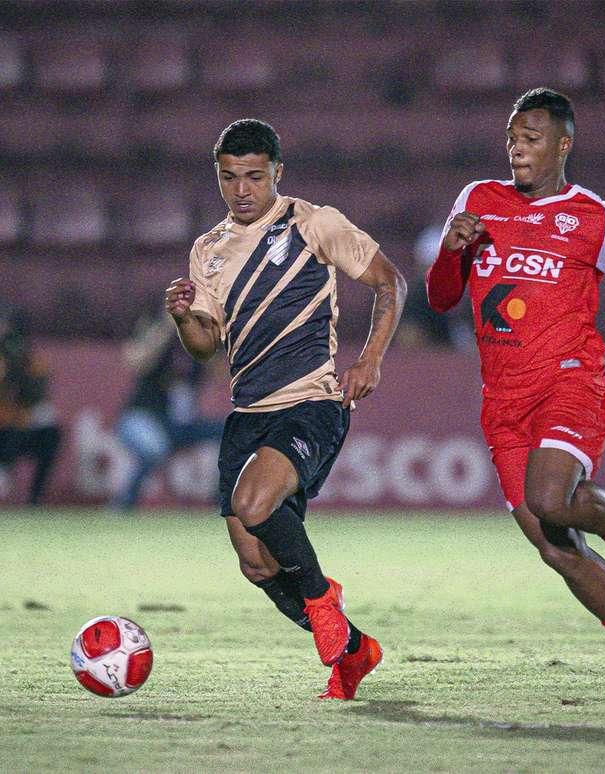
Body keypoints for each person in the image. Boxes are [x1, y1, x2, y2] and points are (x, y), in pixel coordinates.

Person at [426, 88, 605, 705]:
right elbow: (442, 297)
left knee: (550, 497)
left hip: (570, 381)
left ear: (563, 144)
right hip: (502, 398)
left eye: (530, 137)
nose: (517, 148)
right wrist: (451, 251)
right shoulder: (477, 200)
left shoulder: (595, 217)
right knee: (554, 544)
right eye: (512, 138)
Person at [164, 119, 406, 700]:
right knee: (256, 563)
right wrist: (183, 320)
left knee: (254, 503)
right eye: (229, 178)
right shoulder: (209, 251)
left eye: (254, 176)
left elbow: (390, 283)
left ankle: (324, 603)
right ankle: (352, 650)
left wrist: (370, 360)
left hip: (311, 402)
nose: (241, 190)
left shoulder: (313, 223)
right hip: (247, 411)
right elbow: (206, 347)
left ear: (278, 172)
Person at [112, 308, 222, 509]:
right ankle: (124, 504)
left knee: (231, 432)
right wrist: (168, 323)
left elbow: (224, 369)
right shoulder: (162, 343)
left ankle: (222, 503)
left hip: (180, 425)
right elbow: (136, 361)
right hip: (143, 417)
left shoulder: (198, 349)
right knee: (153, 447)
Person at [0, 305, 62, 505]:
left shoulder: (23, 355)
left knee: (50, 434)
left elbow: (36, 394)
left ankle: (34, 499)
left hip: (13, 426)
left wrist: (21, 367)